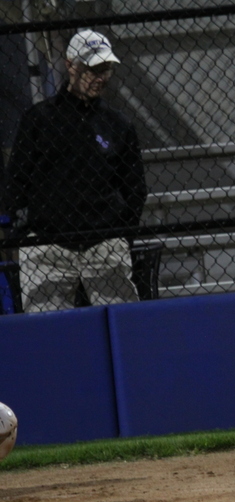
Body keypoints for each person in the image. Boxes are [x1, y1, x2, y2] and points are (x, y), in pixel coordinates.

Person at [1, 29, 146, 312]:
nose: (100, 77)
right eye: (92, 69)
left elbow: (135, 188)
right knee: (49, 334)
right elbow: (15, 182)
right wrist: (30, 236)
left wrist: (118, 235)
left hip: (103, 244)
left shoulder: (117, 125)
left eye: (106, 69)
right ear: (70, 65)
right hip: (48, 245)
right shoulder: (39, 120)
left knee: (122, 324)